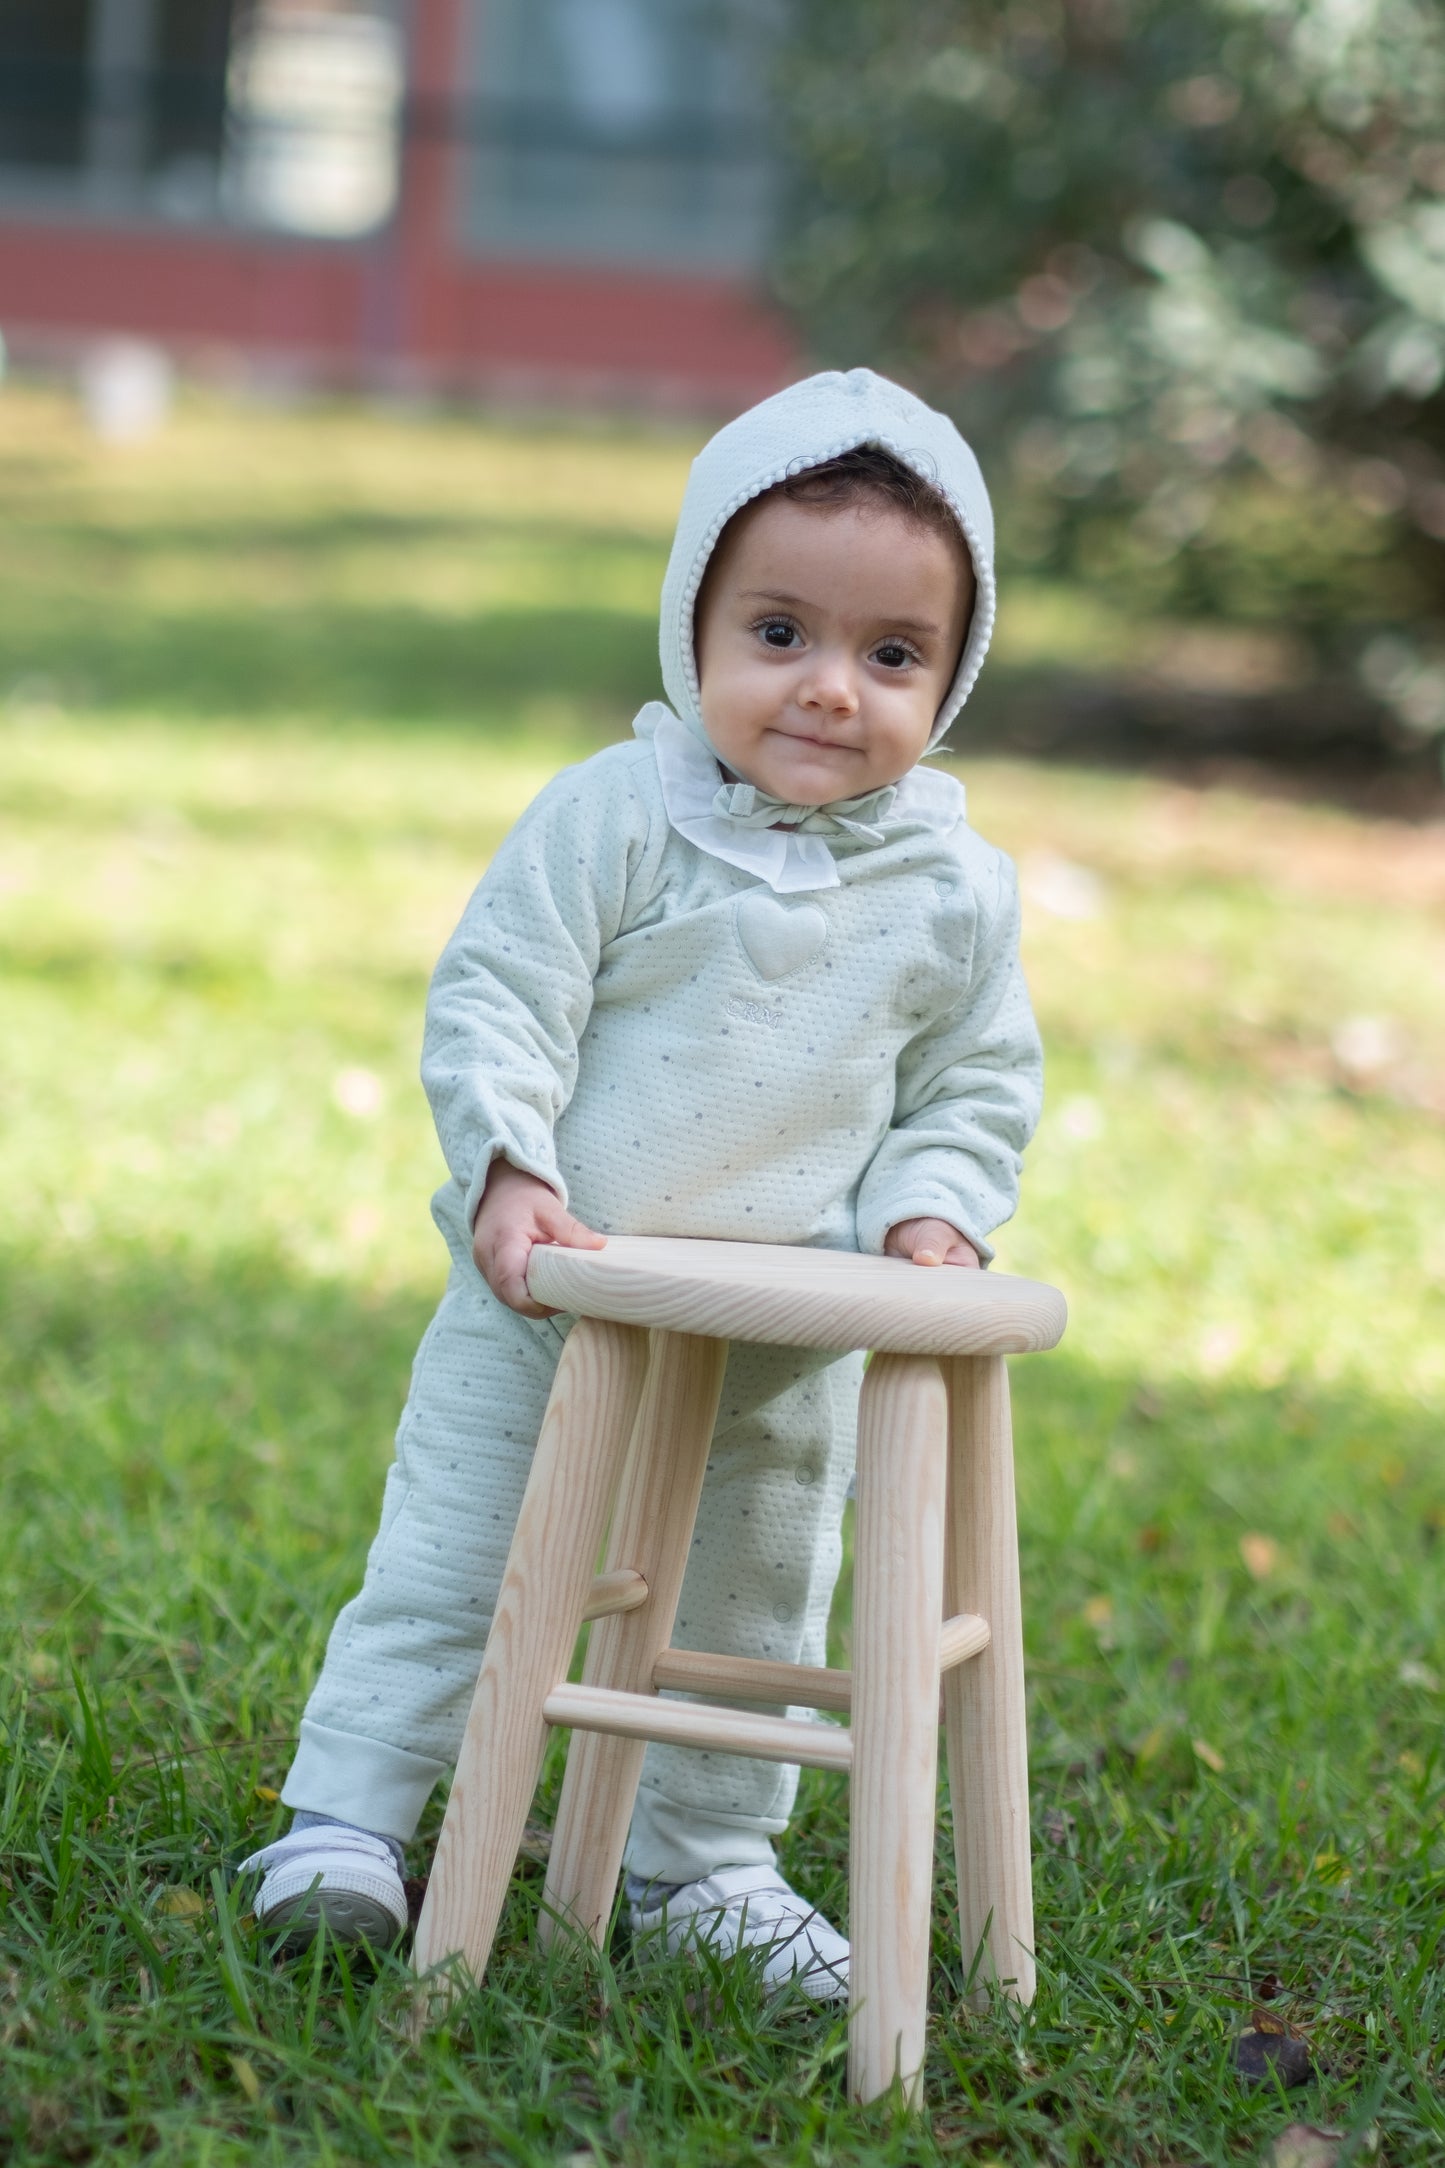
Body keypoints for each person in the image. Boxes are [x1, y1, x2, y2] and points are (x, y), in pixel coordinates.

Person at [240, 368, 1042, 1999]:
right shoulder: (619, 817)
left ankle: (705, 1857)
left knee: (763, 1582)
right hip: (561, 1275)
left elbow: (972, 1077)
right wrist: (509, 1170)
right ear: (693, 625)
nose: (829, 689)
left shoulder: (953, 886)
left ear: (949, 679)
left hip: (789, 1310)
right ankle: (350, 1815)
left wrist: (931, 1203)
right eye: (778, 634)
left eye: (890, 655)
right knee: (460, 1547)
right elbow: (500, 996)